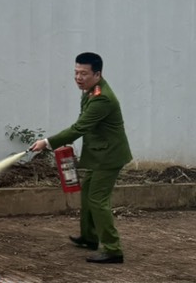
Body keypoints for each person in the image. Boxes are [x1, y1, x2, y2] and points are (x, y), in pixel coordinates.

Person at [31, 52, 132, 263]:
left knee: (98, 199)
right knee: (88, 192)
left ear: (97, 74)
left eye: (83, 73)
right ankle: (89, 237)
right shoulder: (89, 91)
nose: (78, 77)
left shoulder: (101, 97)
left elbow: (80, 126)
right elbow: (84, 123)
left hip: (109, 156)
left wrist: (48, 143)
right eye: (76, 72)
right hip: (99, 152)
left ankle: (113, 249)